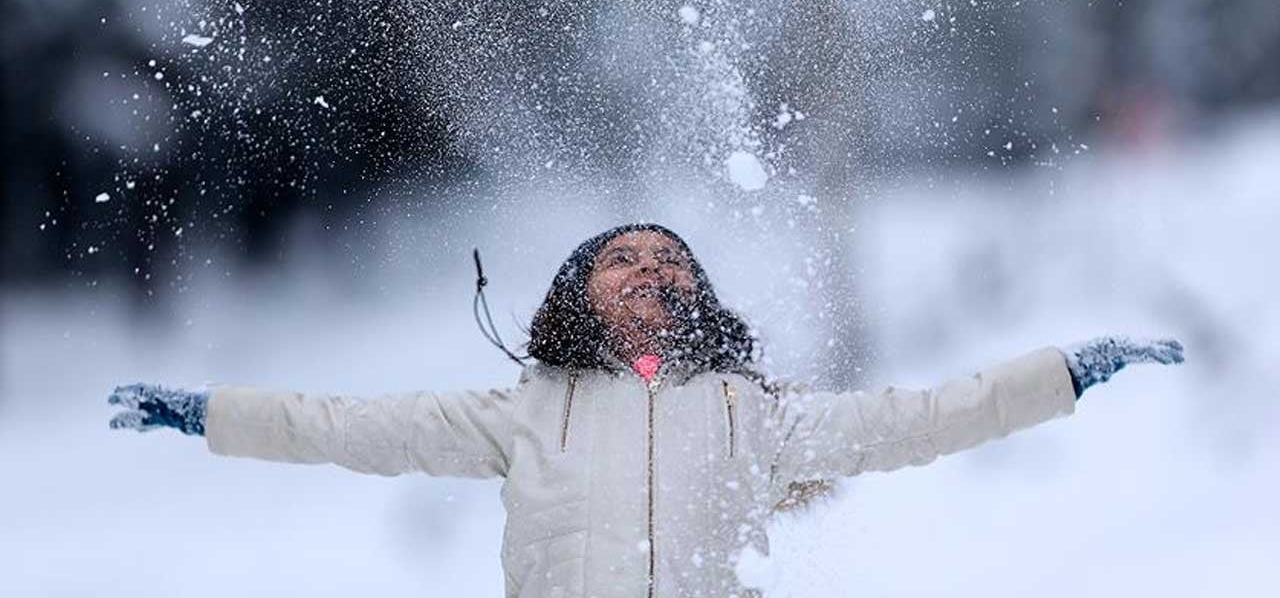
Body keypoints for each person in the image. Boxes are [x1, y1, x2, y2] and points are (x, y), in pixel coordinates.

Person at [108, 222, 1184, 598]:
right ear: (577, 293)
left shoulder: (751, 414)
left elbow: (924, 416)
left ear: (696, 294)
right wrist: (206, 413)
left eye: (668, 260)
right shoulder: (521, 412)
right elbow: (340, 425)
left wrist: (1066, 372)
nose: (646, 270)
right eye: (619, 258)